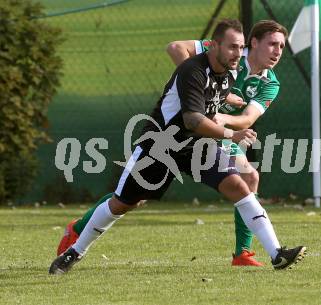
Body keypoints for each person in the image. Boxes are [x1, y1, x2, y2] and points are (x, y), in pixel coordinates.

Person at [49, 19, 306, 275]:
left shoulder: (233, 74)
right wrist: (230, 131)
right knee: (123, 203)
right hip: (162, 144)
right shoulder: (194, 69)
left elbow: (241, 117)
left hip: (200, 144)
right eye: (233, 48)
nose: (238, 54)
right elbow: (193, 119)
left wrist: (226, 119)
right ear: (214, 46)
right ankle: (76, 249)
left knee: (241, 183)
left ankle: (275, 254)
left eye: (240, 49)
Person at [166, 20, 288, 266]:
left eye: (282, 46)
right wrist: (201, 85)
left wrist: (221, 117)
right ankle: (79, 229)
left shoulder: (269, 84)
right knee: (135, 195)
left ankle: (243, 253)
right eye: (272, 44)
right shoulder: (229, 51)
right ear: (253, 43)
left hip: (217, 134)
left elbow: (246, 120)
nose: (277, 51)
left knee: (250, 177)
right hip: (178, 127)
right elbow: (175, 47)